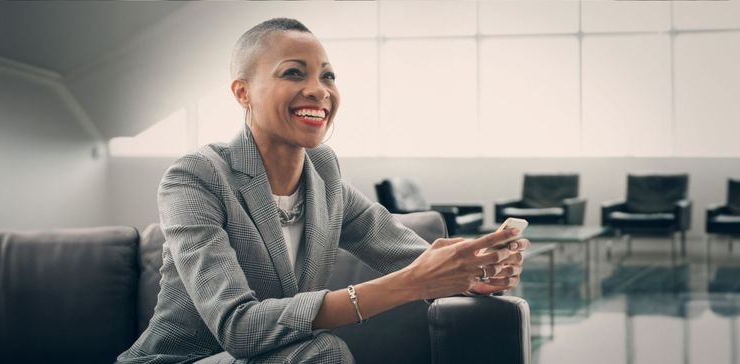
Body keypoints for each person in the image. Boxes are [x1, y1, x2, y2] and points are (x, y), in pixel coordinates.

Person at [117, 18, 529, 364]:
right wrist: (410, 284)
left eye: (327, 75)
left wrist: (474, 270)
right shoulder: (196, 176)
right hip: (184, 359)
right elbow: (237, 329)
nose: (319, 90)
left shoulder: (324, 175)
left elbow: (410, 255)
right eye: (294, 72)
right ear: (242, 92)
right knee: (321, 353)